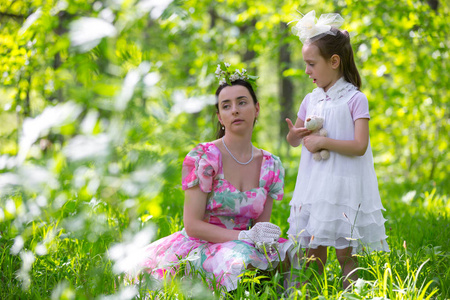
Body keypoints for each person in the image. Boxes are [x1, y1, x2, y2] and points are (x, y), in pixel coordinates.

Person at [140, 63, 290, 292]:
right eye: (226, 106)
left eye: (242, 102)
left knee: (288, 253)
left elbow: (261, 228)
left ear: (257, 108)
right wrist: (243, 236)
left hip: (245, 242)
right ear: (220, 117)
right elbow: (192, 226)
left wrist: (261, 238)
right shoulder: (203, 157)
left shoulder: (271, 165)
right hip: (202, 244)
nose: (235, 110)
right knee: (243, 259)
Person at [285, 11, 389, 289]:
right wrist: (294, 135)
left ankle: (351, 293)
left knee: (345, 253)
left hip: (343, 188)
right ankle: (309, 294)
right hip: (314, 187)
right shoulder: (310, 99)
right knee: (312, 252)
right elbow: (295, 140)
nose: (307, 71)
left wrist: (323, 142)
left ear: (334, 62)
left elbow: (359, 146)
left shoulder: (355, 99)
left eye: (311, 64)